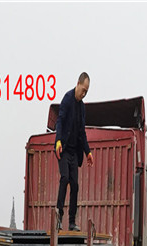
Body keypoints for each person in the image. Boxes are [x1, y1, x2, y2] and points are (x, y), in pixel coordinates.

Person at [55, 72, 94, 232]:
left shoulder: (82, 107)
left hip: (74, 152)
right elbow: (60, 121)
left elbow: (82, 132)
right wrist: (58, 140)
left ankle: (72, 221)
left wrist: (88, 152)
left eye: (86, 92)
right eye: (83, 90)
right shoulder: (67, 99)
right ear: (78, 84)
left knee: (75, 185)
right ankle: (58, 215)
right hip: (63, 149)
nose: (83, 94)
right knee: (64, 178)